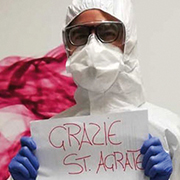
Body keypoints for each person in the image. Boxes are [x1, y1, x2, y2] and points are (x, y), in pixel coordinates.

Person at [8, 0, 180, 180]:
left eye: (107, 33)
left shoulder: (170, 131)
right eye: (80, 35)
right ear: (68, 46)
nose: (92, 48)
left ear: (129, 39)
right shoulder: (49, 142)